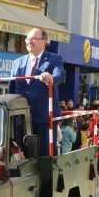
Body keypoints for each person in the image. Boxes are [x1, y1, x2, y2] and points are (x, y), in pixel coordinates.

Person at [9, 27, 64, 155]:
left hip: (44, 118)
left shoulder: (54, 59)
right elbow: (12, 89)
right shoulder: (17, 63)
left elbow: (59, 75)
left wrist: (51, 78)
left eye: (33, 38)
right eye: (27, 38)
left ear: (44, 41)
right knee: (22, 154)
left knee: (44, 156)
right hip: (21, 119)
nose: (29, 41)